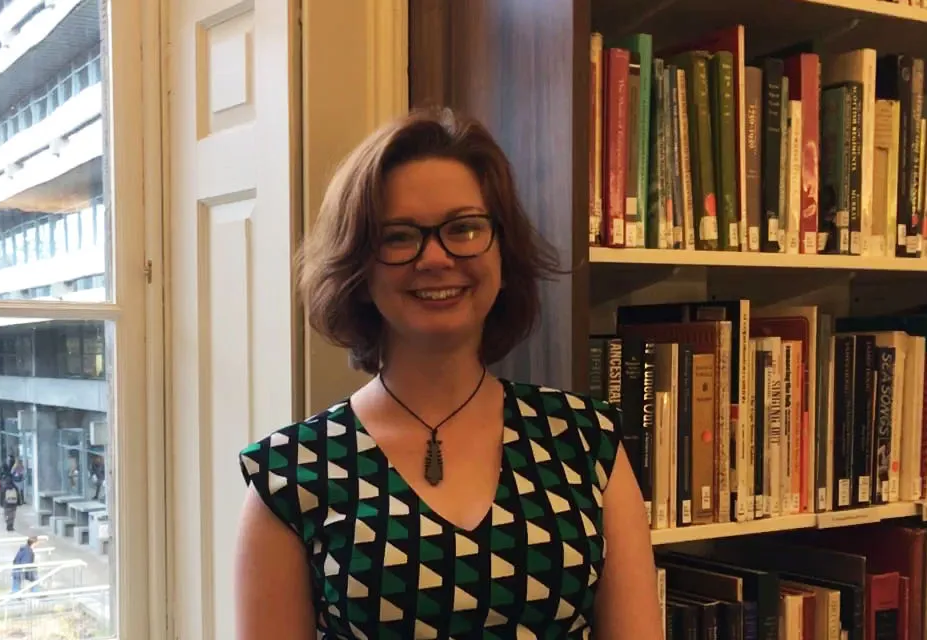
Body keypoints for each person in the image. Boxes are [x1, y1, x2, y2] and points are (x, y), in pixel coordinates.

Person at [234, 110, 660, 639]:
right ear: (358, 272)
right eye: (398, 236)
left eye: (463, 228)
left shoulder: (585, 441)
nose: (435, 258)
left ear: (503, 253)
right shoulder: (291, 475)